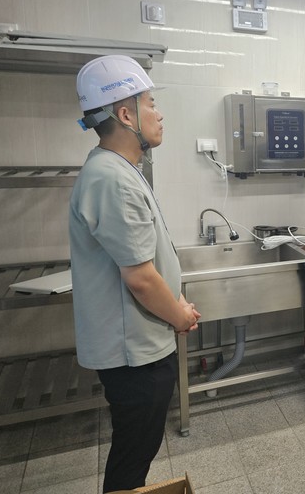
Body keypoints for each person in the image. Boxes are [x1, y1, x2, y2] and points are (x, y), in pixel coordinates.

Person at [69, 55, 200, 492]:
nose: (159, 114)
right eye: (151, 104)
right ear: (126, 115)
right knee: (132, 456)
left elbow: (144, 260)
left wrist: (175, 300)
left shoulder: (120, 169)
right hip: (134, 355)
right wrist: (179, 316)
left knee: (137, 449)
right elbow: (140, 278)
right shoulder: (112, 178)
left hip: (142, 343)